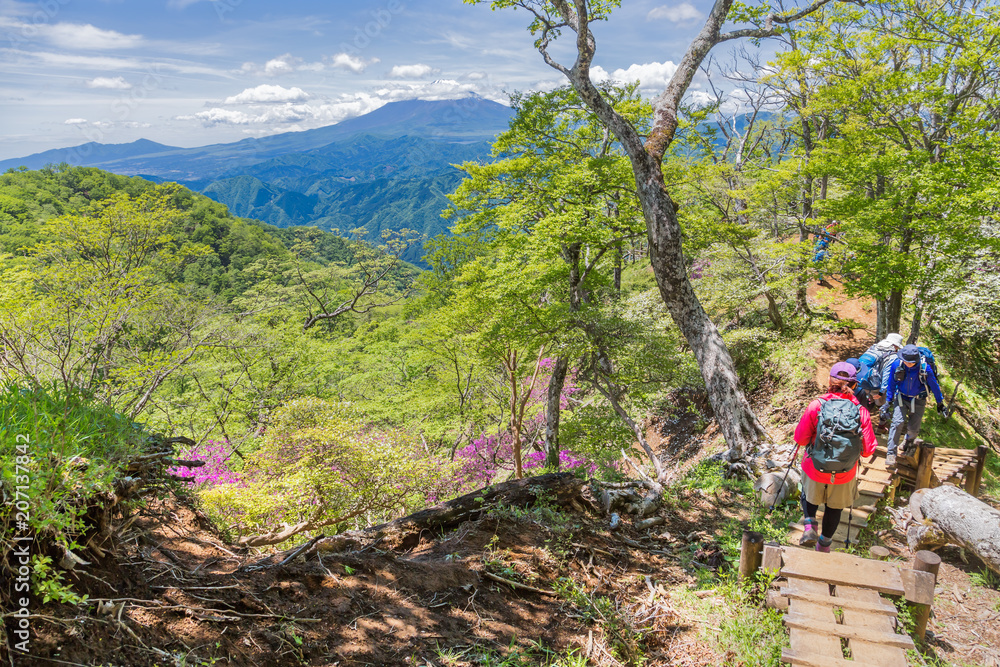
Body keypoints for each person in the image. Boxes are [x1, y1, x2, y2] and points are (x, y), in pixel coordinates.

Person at [793, 362, 878, 552]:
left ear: (829, 380)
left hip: (815, 467)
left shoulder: (816, 405)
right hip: (844, 473)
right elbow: (868, 450)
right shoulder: (861, 412)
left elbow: (800, 438)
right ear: (854, 386)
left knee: (807, 491)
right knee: (835, 508)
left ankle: (809, 525)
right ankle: (823, 546)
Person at [881, 343, 945, 468]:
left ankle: (908, 441)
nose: (907, 363)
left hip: (919, 399)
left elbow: (934, 386)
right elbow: (891, 384)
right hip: (901, 397)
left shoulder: (925, 368)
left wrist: (940, 402)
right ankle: (891, 453)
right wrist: (888, 401)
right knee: (897, 422)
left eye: (910, 362)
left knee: (913, 427)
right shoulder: (897, 365)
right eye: (905, 361)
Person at [855, 333, 903, 424]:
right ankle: (880, 427)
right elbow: (887, 374)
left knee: (863, 405)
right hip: (876, 385)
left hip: (862, 381)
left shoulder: (874, 347)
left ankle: (857, 425)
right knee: (883, 405)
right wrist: (882, 391)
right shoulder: (892, 356)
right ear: (895, 345)